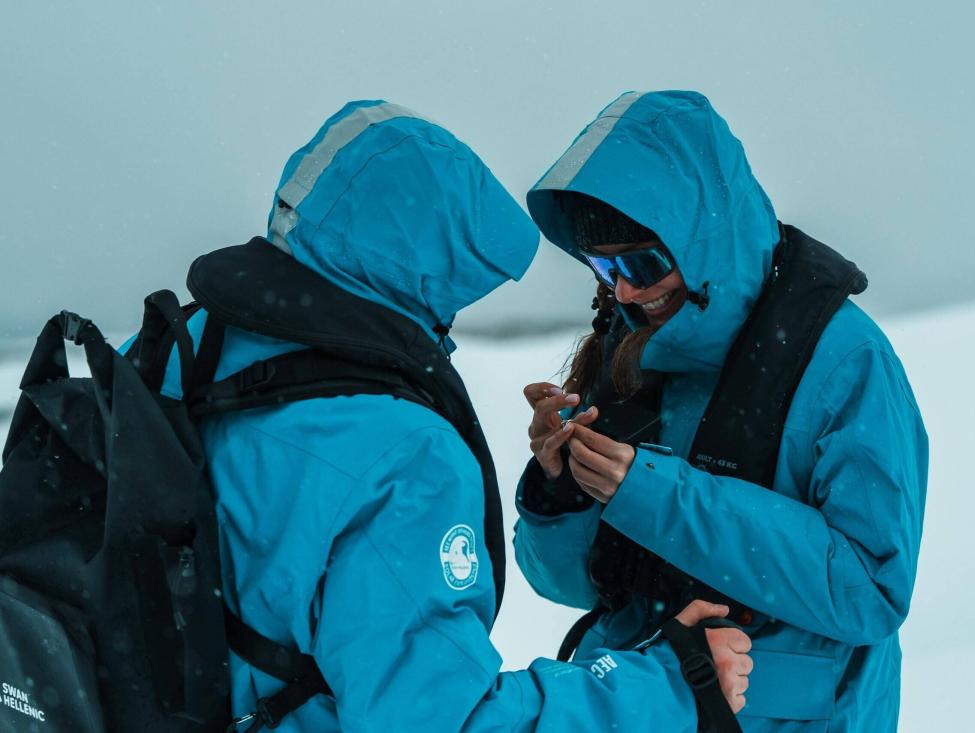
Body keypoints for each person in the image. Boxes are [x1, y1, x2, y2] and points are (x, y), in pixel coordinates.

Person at [137, 100, 751, 731]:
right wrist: (671, 687)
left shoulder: (181, 351)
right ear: (432, 263)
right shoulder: (402, 454)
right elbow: (441, 720)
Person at [514, 90, 927, 732]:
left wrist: (651, 493)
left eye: (644, 262)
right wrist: (559, 487)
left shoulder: (847, 361)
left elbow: (868, 591)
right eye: (605, 266)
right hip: (644, 708)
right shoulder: (629, 351)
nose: (626, 290)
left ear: (705, 240)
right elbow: (570, 586)